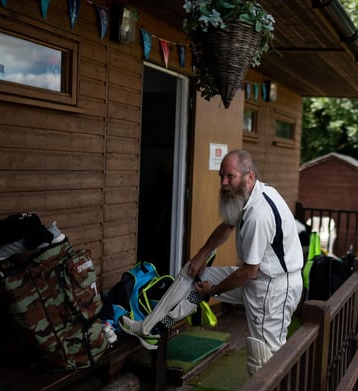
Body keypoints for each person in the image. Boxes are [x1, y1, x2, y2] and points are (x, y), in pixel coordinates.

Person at [120, 149, 303, 376]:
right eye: (221, 176)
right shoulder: (251, 194)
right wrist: (203, 252)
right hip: (260, 278)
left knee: (264, 360)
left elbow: (249, 272)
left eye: (230, 176)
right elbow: (228, 225)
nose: (224, 183)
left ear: (250, 177)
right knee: (193, 273)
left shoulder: (259, 215)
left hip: (273, 288)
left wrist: (213, 290)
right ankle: (151, 327)